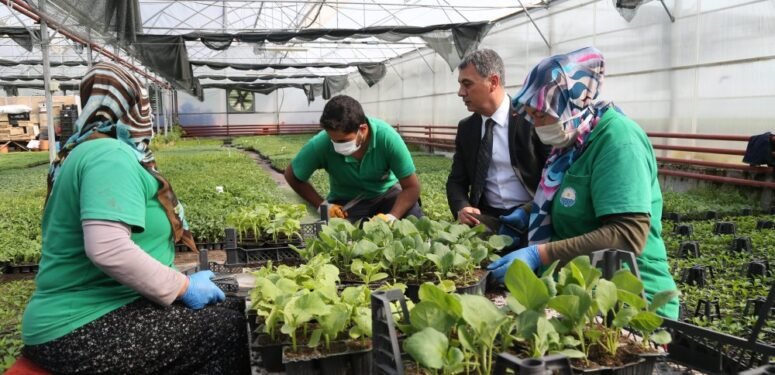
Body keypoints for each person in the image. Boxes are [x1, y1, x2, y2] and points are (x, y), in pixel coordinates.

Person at [21, 62, 249, 374]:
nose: (147, 114)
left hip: (97, 311)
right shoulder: (109, 155)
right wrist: (183, 286)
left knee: (232, 301)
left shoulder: (83, 149)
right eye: (143, 104)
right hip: (81, 326)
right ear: (131, 106)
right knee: (227, 327)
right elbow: (107, 248)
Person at [487, 47, 679, 318]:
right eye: (532, 115)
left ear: (570, 102)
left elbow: (627, 234)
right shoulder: (573, 141)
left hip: (632, 305)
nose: (536, 125)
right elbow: (571, 195)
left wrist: (539, 255)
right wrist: (528, 213)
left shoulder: (619, 141)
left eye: (542, 115)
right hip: (583, 297)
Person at [446, 49, 549, 246]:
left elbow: (553, 176)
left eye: (467, 84)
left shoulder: (532, 119)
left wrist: (528, 210)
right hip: (487, 219)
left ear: (493, 82)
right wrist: (462, 207)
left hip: (535, 215)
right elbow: (456, 181)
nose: (461, 92)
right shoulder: (467, 128)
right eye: (460, 85)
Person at [285, 95, 422, 223]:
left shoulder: (387, 138)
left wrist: (392, 216)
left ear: (362, 129)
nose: (337, 145)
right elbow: (292, 175)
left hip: (385, 194)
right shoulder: (321, 143)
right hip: (347, 201)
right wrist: (323, 205)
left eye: (344, 141)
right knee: (333, 233)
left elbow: (412, 187)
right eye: (333, 140)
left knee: (412, 215)